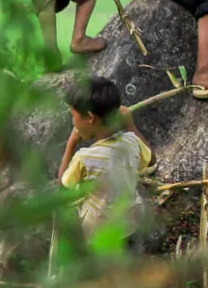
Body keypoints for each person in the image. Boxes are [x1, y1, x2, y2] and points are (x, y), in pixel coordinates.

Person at [58, 75, 154, 240]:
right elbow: (152, 160)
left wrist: (71, 143)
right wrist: (130, 125)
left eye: (73, 115)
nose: (73, 122)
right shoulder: (131, 141)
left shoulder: (85, 158)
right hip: (131, 222)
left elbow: (63, 186)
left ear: (90, 117)